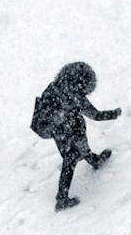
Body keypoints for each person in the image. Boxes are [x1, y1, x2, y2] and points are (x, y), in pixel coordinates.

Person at [31, 61, 121, 211]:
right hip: (65, 127)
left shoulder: (54, 87)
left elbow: (45, 110)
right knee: (72, 156)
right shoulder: (75, 96)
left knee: (74, 148)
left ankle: (93, 160)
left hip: (54, 128)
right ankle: (62, 198)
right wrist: (114, 114)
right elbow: (95, 115)